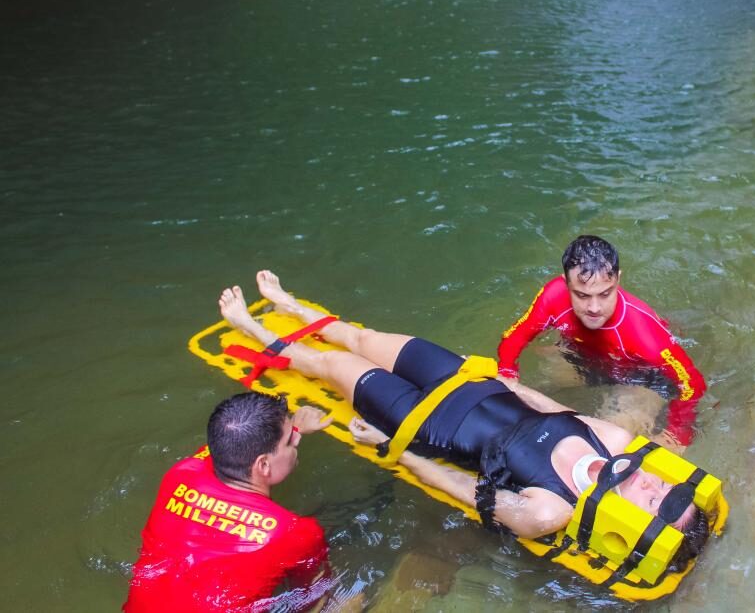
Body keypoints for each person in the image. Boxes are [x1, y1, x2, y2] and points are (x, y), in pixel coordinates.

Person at [217, 271, 709, 558]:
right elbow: (553, 407)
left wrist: (393, 451)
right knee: (364, 338)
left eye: (652, 501)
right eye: (661, 486)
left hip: (426, 421)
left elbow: (463, 489)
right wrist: (501, 379)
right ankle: (289, 305)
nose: (650, 485)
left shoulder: (549, 511)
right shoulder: (618, 445)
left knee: (330, 364)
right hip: (467, 382)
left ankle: (252, 329)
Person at [124, 392, 334, 612]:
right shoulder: (295, 531)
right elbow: (310, 598)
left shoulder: (180, 473)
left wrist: (295, 427)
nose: (297, 440)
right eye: (291, 440)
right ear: (262, 465)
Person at [497, 235, 706, 445]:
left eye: (605, 294)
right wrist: (507, 373)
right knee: (536, 383)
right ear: (566, 282)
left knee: (606, 439)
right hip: (586, 358)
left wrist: (677, 433)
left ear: (618, 279)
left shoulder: (645, 334)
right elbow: (515, 336)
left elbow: (693, 384)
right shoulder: (553, 296)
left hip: (640, 378)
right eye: (582, 295)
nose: (594, 308)